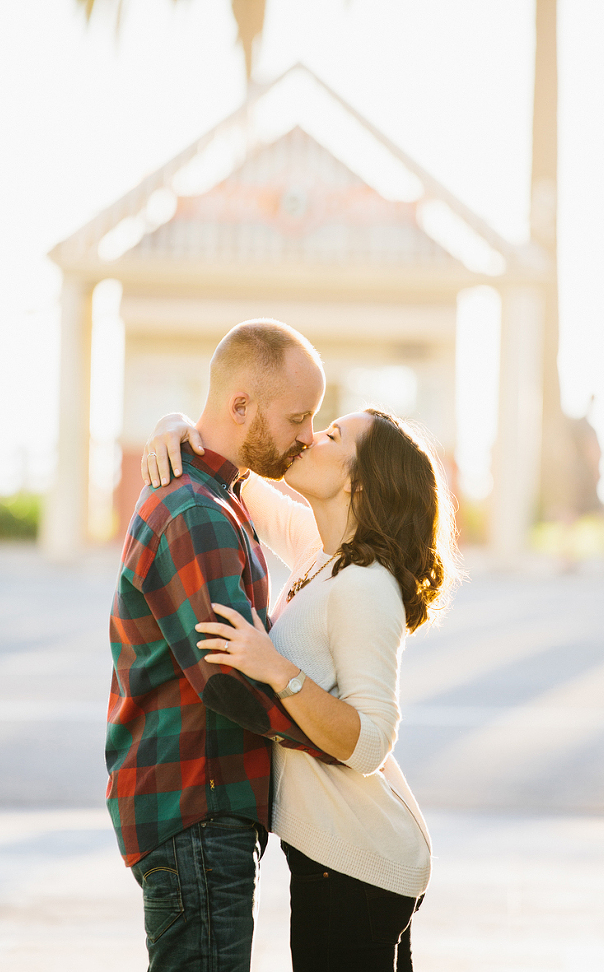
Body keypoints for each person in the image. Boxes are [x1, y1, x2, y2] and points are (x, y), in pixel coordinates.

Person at [142, 403, 458, 970]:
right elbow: (233, 469)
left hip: (359, 861)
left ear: (360, 481)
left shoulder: (365, 587)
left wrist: (275, 668)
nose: (312, 436)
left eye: (333, 434)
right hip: (339, 858)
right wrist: (175, 425)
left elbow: (370, 742)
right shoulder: (322, 556)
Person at [108, 319, 341, 972]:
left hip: (195, 810)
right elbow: (226, 678)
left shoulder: (217, 496)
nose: (306, 435)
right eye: (298, 416)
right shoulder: (198, 513)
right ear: (241, 406)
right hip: (197, 810)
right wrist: (337, 737)